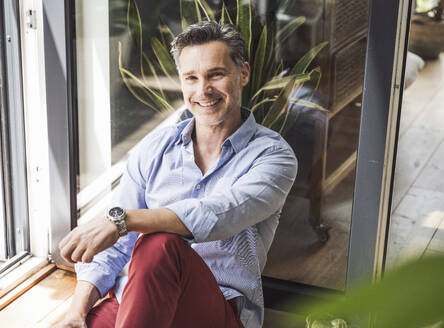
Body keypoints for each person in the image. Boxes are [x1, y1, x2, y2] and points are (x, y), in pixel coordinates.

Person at [55, 21, 297, 328]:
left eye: (216, 74)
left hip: (215, 309)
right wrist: (77, 313)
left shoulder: (272, 156)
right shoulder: (156, 147)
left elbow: (217, 215)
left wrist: (121, 221)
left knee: (159, 244)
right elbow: (115, 249)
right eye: (191, 78)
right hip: (137, 300)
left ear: (243, 73)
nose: (203, 90)